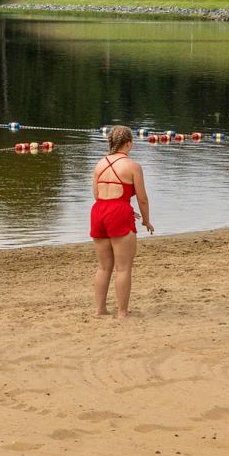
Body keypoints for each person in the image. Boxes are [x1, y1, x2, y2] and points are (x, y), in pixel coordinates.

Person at [90, 125, 153, 317]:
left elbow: (97, 194)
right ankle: (122, 312)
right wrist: (146, 220)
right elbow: (142, 198)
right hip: (119, 212)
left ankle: (100, 310)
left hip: (99, 211)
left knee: (103, 267)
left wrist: (118, 208)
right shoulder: (133, 166)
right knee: (123, 267)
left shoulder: (99, 164)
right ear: (129, 143)